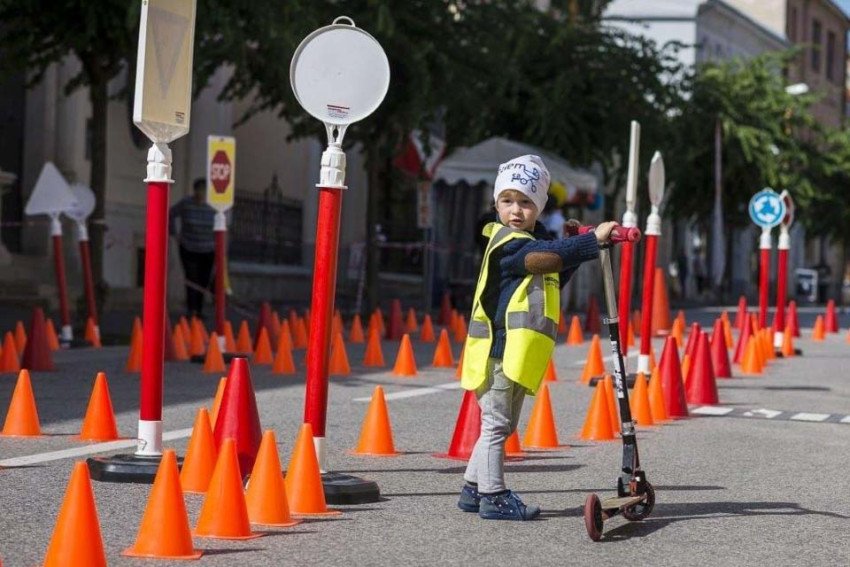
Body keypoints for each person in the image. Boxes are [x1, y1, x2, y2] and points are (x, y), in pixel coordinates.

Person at [458, 154, 617, 521]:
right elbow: (540, 260)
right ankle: (493, 495)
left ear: (540, 206)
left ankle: (472, 487)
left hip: (513, 353)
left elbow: (553, 275)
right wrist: (591, 241)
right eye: (507, 201)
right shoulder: (508, 243)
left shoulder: (532, 241)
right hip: (496, 351)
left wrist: (572, 249)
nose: (516, 210)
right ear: (496, 204)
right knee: (497, 425)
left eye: (526, 202)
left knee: (501, 424)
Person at [169, 178, 216, 319]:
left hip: (208, 249)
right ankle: (191, 310)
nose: (201, 193)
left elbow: (221, 222)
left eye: (204, 190)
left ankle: (199, 310)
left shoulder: (213, 206)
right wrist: (174, 234)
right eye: (199, 190)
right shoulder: (186, 203)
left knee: (203, 280)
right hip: (188, 247)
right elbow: (171, 214)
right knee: (191, 278)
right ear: (195, 190)